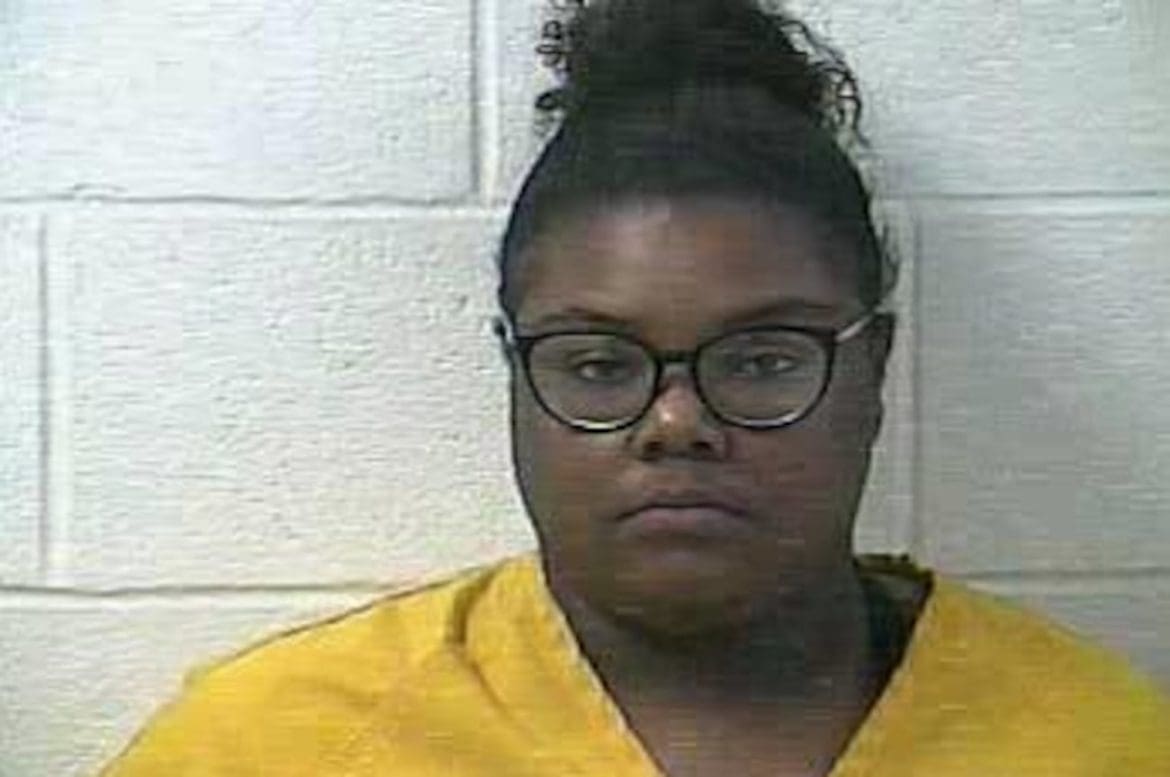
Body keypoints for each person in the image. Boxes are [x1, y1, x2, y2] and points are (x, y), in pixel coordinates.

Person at [102, 1, 1168, 775]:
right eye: (598, 363)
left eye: (762, 358)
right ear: (517, 377)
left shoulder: (1094, 739)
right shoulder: (276, 742)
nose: (676, 422)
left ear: (873, 369)